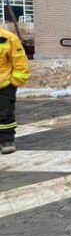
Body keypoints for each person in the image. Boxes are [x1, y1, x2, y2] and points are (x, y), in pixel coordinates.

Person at [0, 26, 30, 155]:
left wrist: (15, 82)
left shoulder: (8, 38)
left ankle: (7, 141)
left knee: (5, 114)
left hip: (4, 85)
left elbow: (20, 61)